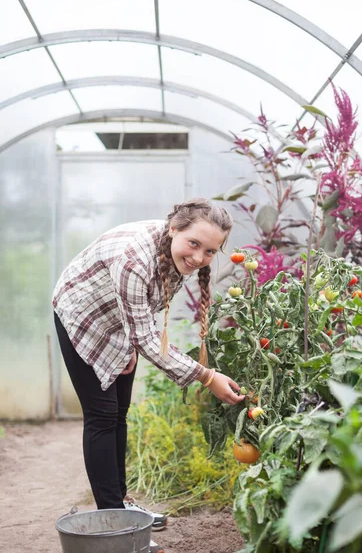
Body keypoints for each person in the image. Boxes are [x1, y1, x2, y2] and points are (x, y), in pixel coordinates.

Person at [53, 198, 245, 553]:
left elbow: (139, 318)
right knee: (102, 414)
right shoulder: (133, 259)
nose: (200, 257)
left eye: (210, 251)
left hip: (119, 321)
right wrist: (206, 376)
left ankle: (119, 502)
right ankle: (114, 523)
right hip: (82, 315)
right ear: (174, 228)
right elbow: (144, 334)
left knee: (119, 413)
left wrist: (128, 343)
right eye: (194, 244)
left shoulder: (170, 251)